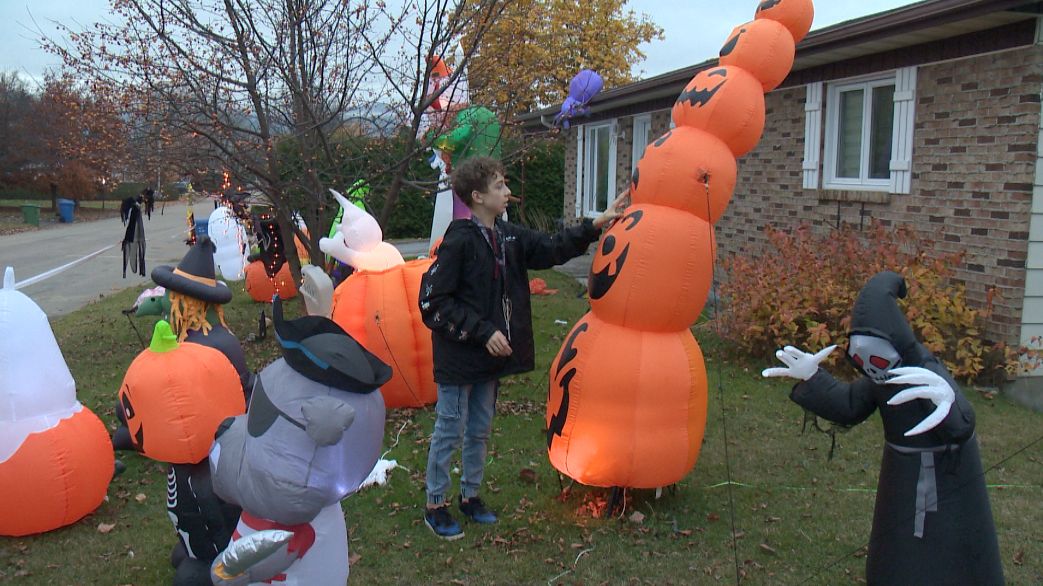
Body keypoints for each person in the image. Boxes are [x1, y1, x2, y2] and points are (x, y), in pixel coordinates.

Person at [418, 156, 626, 539]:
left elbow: (550, 247)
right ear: (478, 196)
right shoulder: (459, 241)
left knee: (479, 430)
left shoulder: (507, 236)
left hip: (488, 359)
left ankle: (470, 497)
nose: (508, 193)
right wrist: (482, 331)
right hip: (460, 357)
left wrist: (593, 227)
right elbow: (433, 302)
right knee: (450, 428)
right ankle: (436, 504)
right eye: (499, 186)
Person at [762, 271, 1003, 585]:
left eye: (874, 353)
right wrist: (812, 377)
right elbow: (849, 405)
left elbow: (960, 426)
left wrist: (950, 402)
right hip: (901, 479)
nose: (870, 364)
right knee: (898, 553)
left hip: (948, 483)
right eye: (861, 356)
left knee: (949, 556)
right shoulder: (883, 379)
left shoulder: (926, 372)